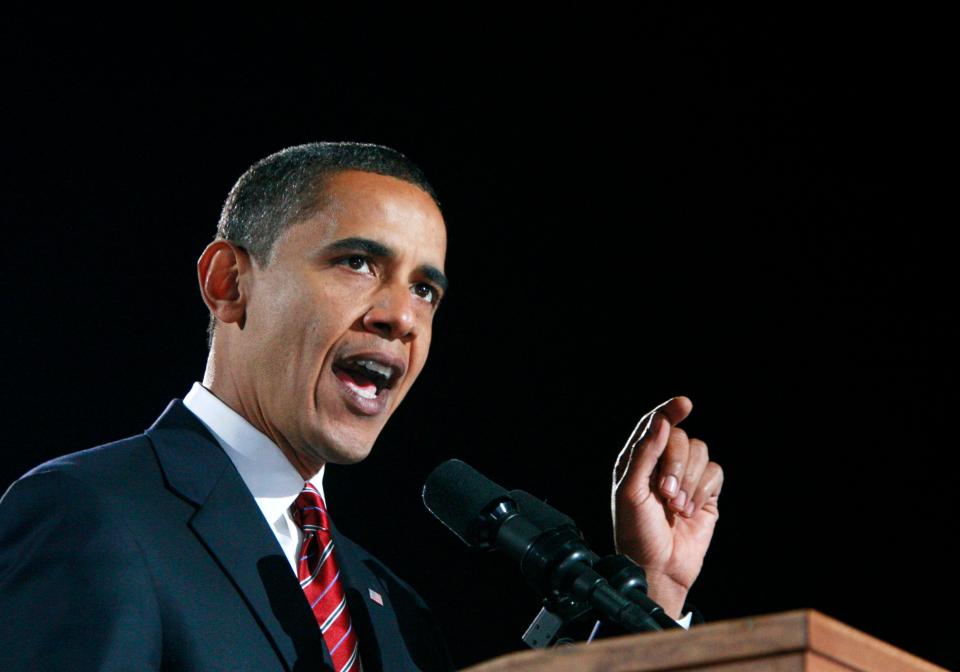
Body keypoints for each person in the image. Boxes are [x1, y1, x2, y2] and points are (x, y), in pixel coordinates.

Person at [0, 142, 723, 671]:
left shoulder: (393, 610)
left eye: (425, 290)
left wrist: (651, 591)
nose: (401, 317)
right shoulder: (90, 514)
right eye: (357, 263)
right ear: (229, 284)